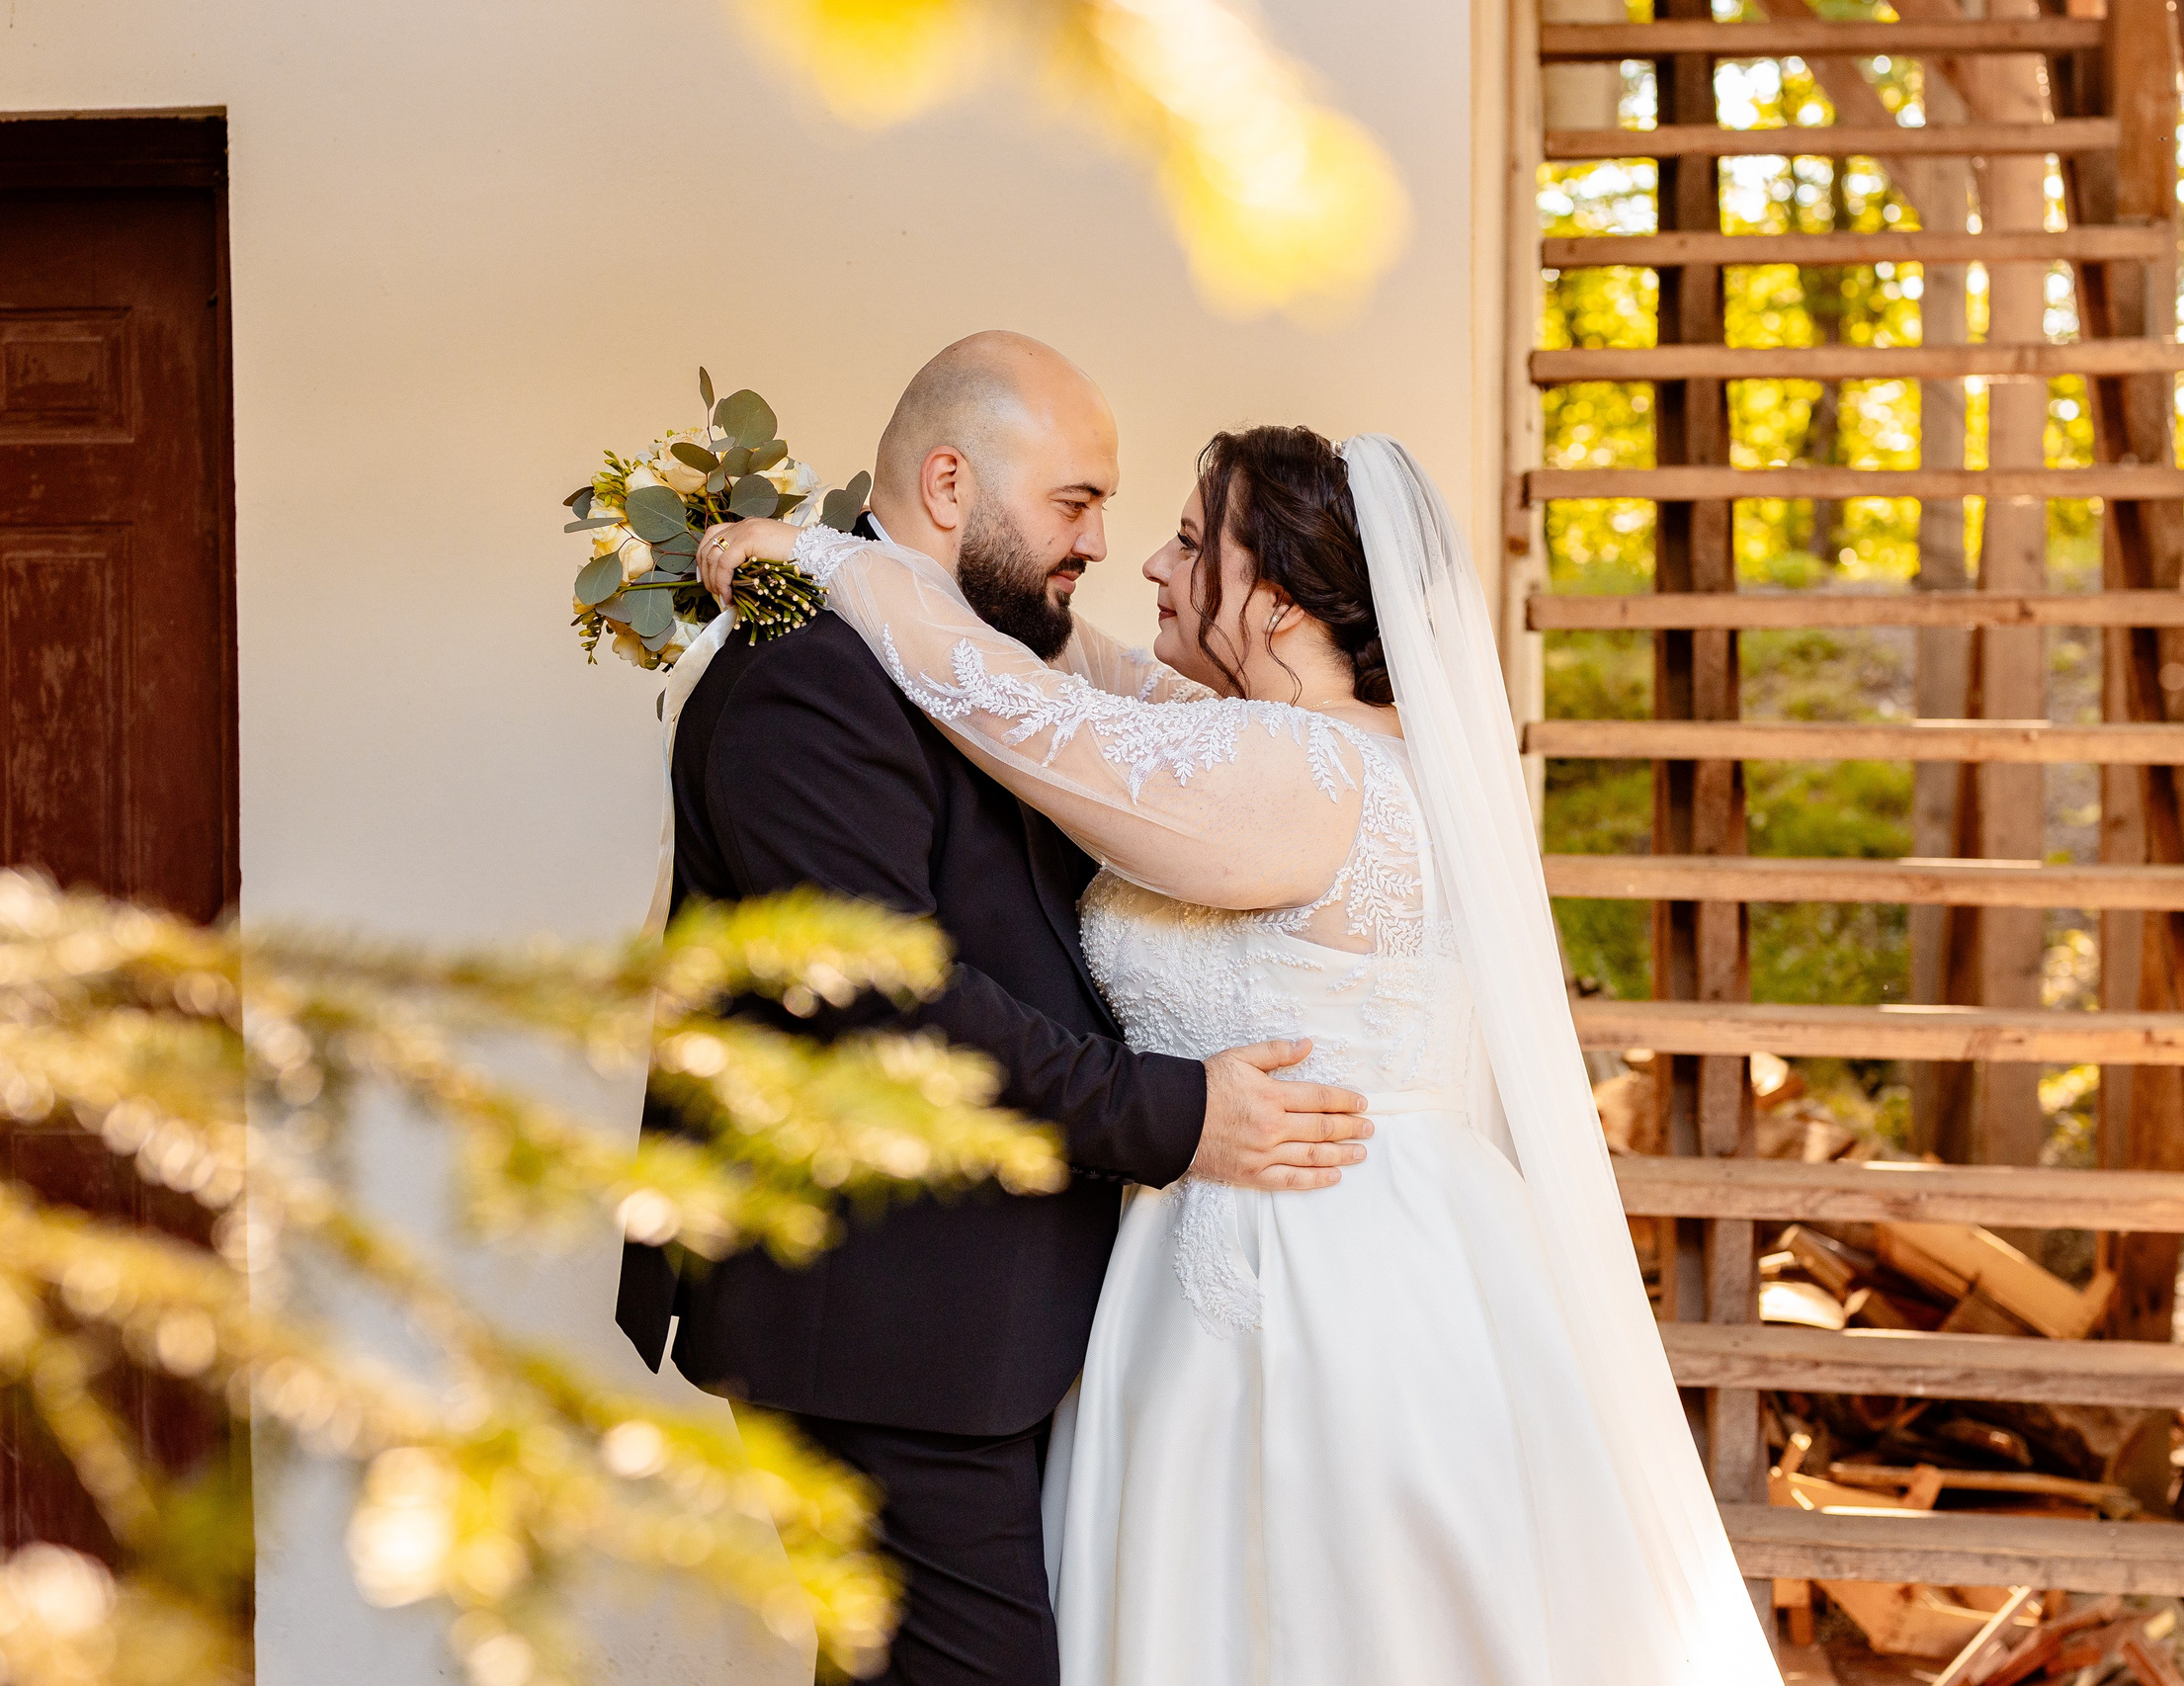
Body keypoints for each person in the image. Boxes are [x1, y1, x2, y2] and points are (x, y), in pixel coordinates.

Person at [700, 405, 1786, 1683]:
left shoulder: (1284, 771)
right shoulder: (1352, 752)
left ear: (1272, 601)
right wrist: (971, 579)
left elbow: (1012, 707)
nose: (1151, 565)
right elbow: (1092, 679)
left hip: (1306, 1274)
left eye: (1187, 542)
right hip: (1347, 1235)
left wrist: (830, 559)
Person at [619, 332, 1374, 1686]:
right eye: (1075, 503)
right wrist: (1179, 1115)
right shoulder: (805, 672)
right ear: (951, 485)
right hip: (874, 1319)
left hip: (993, 1320)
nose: (1100, 544)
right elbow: (888, 1007)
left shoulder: (984, 664)